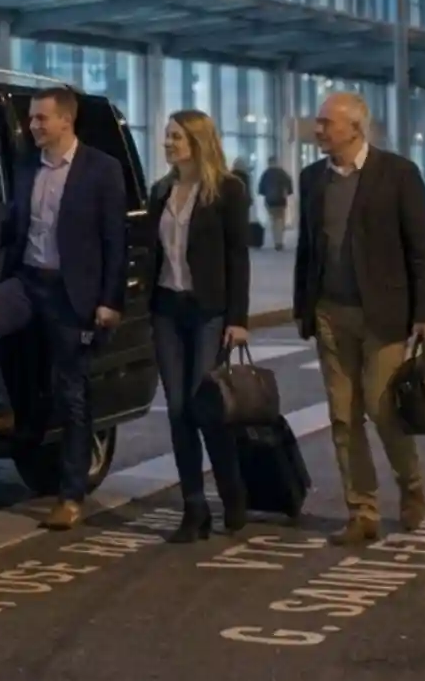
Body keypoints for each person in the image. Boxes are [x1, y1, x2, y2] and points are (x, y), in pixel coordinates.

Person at [0, 86, 128, 532]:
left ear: (67, 120)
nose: (32, 126)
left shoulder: (101, 170)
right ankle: (0, 408)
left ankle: (70, 496)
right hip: (28, 282)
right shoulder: (29, 168)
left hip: (73, 295)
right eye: (31, 119)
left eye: (40, 119)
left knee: (71, 396)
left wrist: (110, 301)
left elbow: (115, 241)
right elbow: (14, 226)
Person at [294, 91, 425, 546]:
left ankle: (411, 485)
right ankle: (362, 510)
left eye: (325, 123)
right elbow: (307, 248)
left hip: (383, 314)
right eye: (318, 123)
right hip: (330, 313)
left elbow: (421, 247)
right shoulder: (312, 178)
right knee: (343, 416)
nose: (317, 130)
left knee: (382, 409)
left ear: (355, 128)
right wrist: (305, 306)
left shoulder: (397, 173)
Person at [147, 110, 251, 542]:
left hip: (209, 310)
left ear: (197, 140)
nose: (168, 143)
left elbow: (237, 257)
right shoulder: (161, 190)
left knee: (203, 407)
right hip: (167, 309)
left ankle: (232, 491)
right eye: (167, 136)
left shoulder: (227, 190)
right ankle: (194, 507)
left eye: (176, 137)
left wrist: (238, 320)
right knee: (176, 410)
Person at [256, 157, 293, 250]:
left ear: (269, 163)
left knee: (273, 220)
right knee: (280, 220)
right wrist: (287, 193)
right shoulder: (282, 173)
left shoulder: (266, 174)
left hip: (270, 200)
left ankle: (276, 241)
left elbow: (261, 188)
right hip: (281, 200)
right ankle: (280, 241)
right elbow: (289, 184)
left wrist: (266, 193)